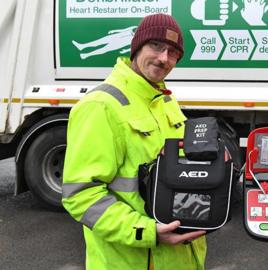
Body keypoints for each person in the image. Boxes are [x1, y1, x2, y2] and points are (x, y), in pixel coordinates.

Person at [62, 14, 206, 270]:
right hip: (133, 260)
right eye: (156, 46)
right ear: (137, 47)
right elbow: (81, 196)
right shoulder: (100, 106)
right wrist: (148, 232)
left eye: (173, 52)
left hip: (181, 256)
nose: (164, 58)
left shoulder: (164, 100)